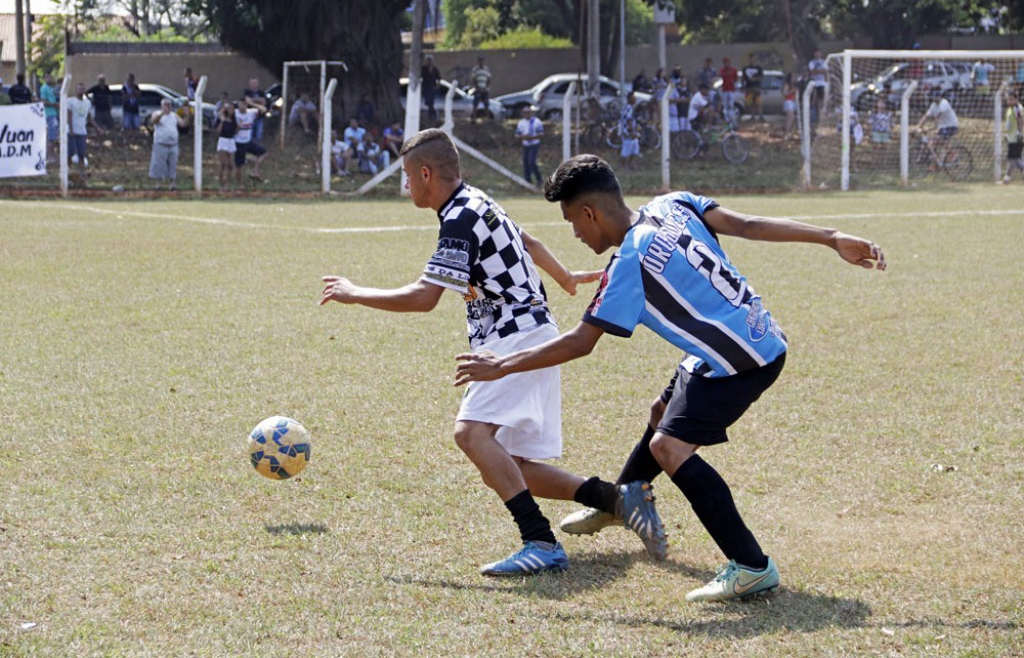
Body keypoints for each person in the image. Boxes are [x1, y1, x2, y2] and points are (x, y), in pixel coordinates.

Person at [454, 153, 887, 601]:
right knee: (661, 413)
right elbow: (750, 225)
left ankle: (751, 565)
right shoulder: (672, 204)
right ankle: (620, 501)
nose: (576, 234)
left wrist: (501, 365)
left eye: (572, 223)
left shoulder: (629, 263)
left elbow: (580, 342)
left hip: (741, 362)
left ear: (589, 212)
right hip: (745, 338)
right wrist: (831, 237)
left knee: (668, 447)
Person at [319, 129, 665, 576]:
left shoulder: (459, 216)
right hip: (528, 331)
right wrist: (563, 277)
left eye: (408, 176)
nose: (406, 186)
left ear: (426, 174)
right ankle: (615, 500)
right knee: (513, 463)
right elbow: (527, 242)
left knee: (471, 435)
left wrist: (355, 292)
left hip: (515, 337)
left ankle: (540, 542)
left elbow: (425, 298)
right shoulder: (475, 201)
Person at [148, 98, 188, 190]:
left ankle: (172, 184)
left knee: (172, 164)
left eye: (169, 105)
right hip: (160, 144)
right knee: (159, 164)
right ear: (162, 106)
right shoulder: (157, 113)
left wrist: (187, 116)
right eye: (165, 105)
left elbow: (183, 124)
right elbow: (154, 121)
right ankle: (158, 184)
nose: (167, 107)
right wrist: (162, 113)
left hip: (173, 144)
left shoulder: (174, 115)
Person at [916, 89, 959, 167]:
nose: (935, 99)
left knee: (935, 142)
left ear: (940, 97)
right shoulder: (933, 105)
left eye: (936, 97)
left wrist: (933, 126)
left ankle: (953, 155)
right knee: (934, 145)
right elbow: (926, 116)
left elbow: (938, 116)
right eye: (933, 97)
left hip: (951, 126)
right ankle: (936, 164)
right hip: (943, 127)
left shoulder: (944, 103)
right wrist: (919, 126)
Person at [234, 96, 269, 185]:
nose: (242, 106)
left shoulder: (251, 112)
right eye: (241, 104)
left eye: (244, 104)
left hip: (248, 141)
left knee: (263, 153)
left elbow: (264, 110)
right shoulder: (235, 113)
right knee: (239, 165)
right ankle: (239, 184)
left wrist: (252, 103)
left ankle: (255, 171)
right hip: (238, 142)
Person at [66, 82, 97, 172]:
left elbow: (89, 117)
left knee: (81, 153)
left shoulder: (87, 103)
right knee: (70, 152)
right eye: (79, 89)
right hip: (72, 132)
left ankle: (81, 172)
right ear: (76, 90)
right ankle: (68, 170)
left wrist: (97, 128)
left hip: (82, 131)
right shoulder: (71, 101)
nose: (81, 90)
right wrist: (71, 129)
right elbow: (69, 116)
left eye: (83, 89)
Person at [515, 105, 544, 185]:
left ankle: (539, 179)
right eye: (524, 113)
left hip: (534, 144)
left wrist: (532, 137)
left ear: (531, 113)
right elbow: (517, 136)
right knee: (525, 162)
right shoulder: (521, 123)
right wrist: (523, 137)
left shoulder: (536, 121)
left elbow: (541, 134)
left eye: (528, 112)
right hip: (525, 144)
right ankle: (528, 181)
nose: (526, 114)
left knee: (531, 162)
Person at [1000, 91, 1023, 184]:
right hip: (1012, 137)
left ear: (1016, 99)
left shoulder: (1016, 108)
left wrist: (1019, 133)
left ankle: (1006, 179)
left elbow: (1021, 120)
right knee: (1016, 159)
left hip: (1016, 138)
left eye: (1011, 99)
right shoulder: (1011, 108)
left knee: (1012, 160)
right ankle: (1007, 178)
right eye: (1008, 99)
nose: (1009, 101)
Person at [215, 102, 237, 191]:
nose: (231, 110)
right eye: (229, 108)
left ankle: (227, 184)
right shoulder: (221, 118)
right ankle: (221, 185)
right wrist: (222, 120)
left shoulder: (234, 120)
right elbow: (218, 130)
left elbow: (235, 130)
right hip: (223, 140)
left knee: (230, 165)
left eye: (232, 109)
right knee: (222, 164)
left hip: (231, 141)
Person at [619, 92, 640, 169]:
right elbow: (629, 120)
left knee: (635, 149)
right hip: (627, 131)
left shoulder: (629, 107)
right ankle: (623, 166)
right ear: (629, 99)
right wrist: (632, 132)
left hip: (631, 130)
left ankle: (630, 164)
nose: (635, 99)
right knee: (626, 149)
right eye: (633, 97)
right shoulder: (628, 108)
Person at [39, 73, 60, 151]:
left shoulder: (53, 88)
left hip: (56, 113)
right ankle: (50, 153)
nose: (48, 78)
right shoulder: (43, 88)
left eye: (50, 77)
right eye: (46, 77)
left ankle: (53, 152)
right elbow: (43, 101)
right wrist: (54, 104)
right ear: (45, 78)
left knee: (55, 134)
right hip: (49, 114)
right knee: (51, 134)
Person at [243, 78, 268, 143]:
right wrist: (258, 100)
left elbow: (264, 101)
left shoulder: (261, 92)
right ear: (250, 84)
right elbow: (246, 100)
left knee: (258, 134)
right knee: (249, 134)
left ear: (258, 84)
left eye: (255, 83)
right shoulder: (247, 92)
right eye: (252, 83)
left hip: (259, 117)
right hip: (250, 118)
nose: (254, 85)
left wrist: (252, 101)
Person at [742, 54, 765, 121]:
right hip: (748, 87)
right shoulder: (745, 68)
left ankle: (761, 116)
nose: (751, 60)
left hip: (756, 87)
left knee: (758, 102)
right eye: (750, 59)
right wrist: (742, 85)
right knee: (750, 102)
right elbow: (744, 78)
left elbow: (761, 77)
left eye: (753, 59)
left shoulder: (759, 68)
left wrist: (755, 79)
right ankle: (753, 116)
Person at [808, 50, 827, 122]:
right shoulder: (811, 62)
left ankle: (820, 117)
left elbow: (826, 72)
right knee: (814, 100)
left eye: (819, 53)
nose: (818, 54)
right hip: (814, 83)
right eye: (816, 53)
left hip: (822, 83)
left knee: (821, 101)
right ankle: (814, 118)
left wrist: (818, 71)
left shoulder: (824, 62)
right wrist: (820, 71)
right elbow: (812, 71)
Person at [422, 54, 442, 124]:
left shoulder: (435, 69)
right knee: (428, 101)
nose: (429, 62)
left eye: (430, 60)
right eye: (428, 60)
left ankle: (431, 115)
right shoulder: (423, 69)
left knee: (431, 101)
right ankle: (433, 114)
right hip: (426, 87)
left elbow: (439, 78)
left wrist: (438, 85)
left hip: (433, 87)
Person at [719, 58, 739, 123]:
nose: (726, 64)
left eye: (727, 62)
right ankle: (726, 118)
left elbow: (736, 79)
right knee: (725, 105)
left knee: (731, 105)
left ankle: (732, 118)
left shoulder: (733, 70)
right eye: (725, 62)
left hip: (731, 90)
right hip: (724, 90)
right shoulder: (722, 70)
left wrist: (733, 83)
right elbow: (720, 78)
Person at [782, 73, 798, 138]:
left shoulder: (794, 85)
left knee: (790, 118)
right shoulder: (787, 85)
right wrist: (792, 91)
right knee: (791, 117)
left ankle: (789, 131)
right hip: (788, 101)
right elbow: (784, 93)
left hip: (793, 101)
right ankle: (787, 133)